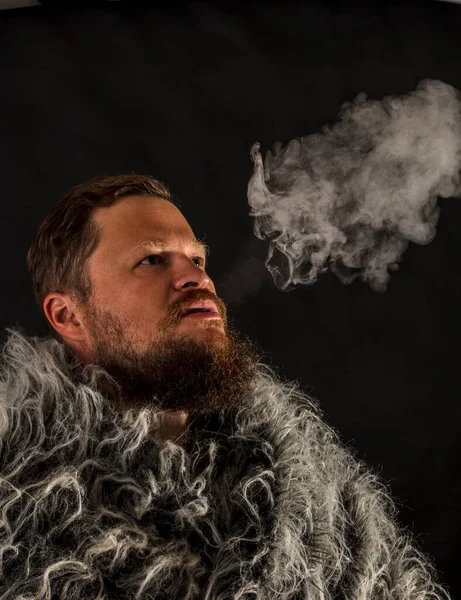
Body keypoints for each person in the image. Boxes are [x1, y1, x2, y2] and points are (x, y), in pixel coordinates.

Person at [0, 174, 450, 599]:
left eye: (196, 259)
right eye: (151, 260)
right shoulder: (16, 512)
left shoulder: (321, 498)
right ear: (69, 316)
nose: (197, 278)